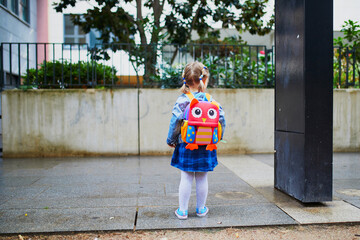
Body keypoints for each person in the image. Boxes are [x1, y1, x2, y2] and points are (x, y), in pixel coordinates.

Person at [166, 61, 226, 220]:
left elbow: (175, 122)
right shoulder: (210, 100)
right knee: (202, 177)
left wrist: (171, 139)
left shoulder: (182, 100)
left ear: (184, 80)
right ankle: (200, 209)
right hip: (207, 145)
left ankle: (183, 211)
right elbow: (221, 118)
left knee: (185, 177)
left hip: (187, 144)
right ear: (204, 80)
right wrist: (218, 137)